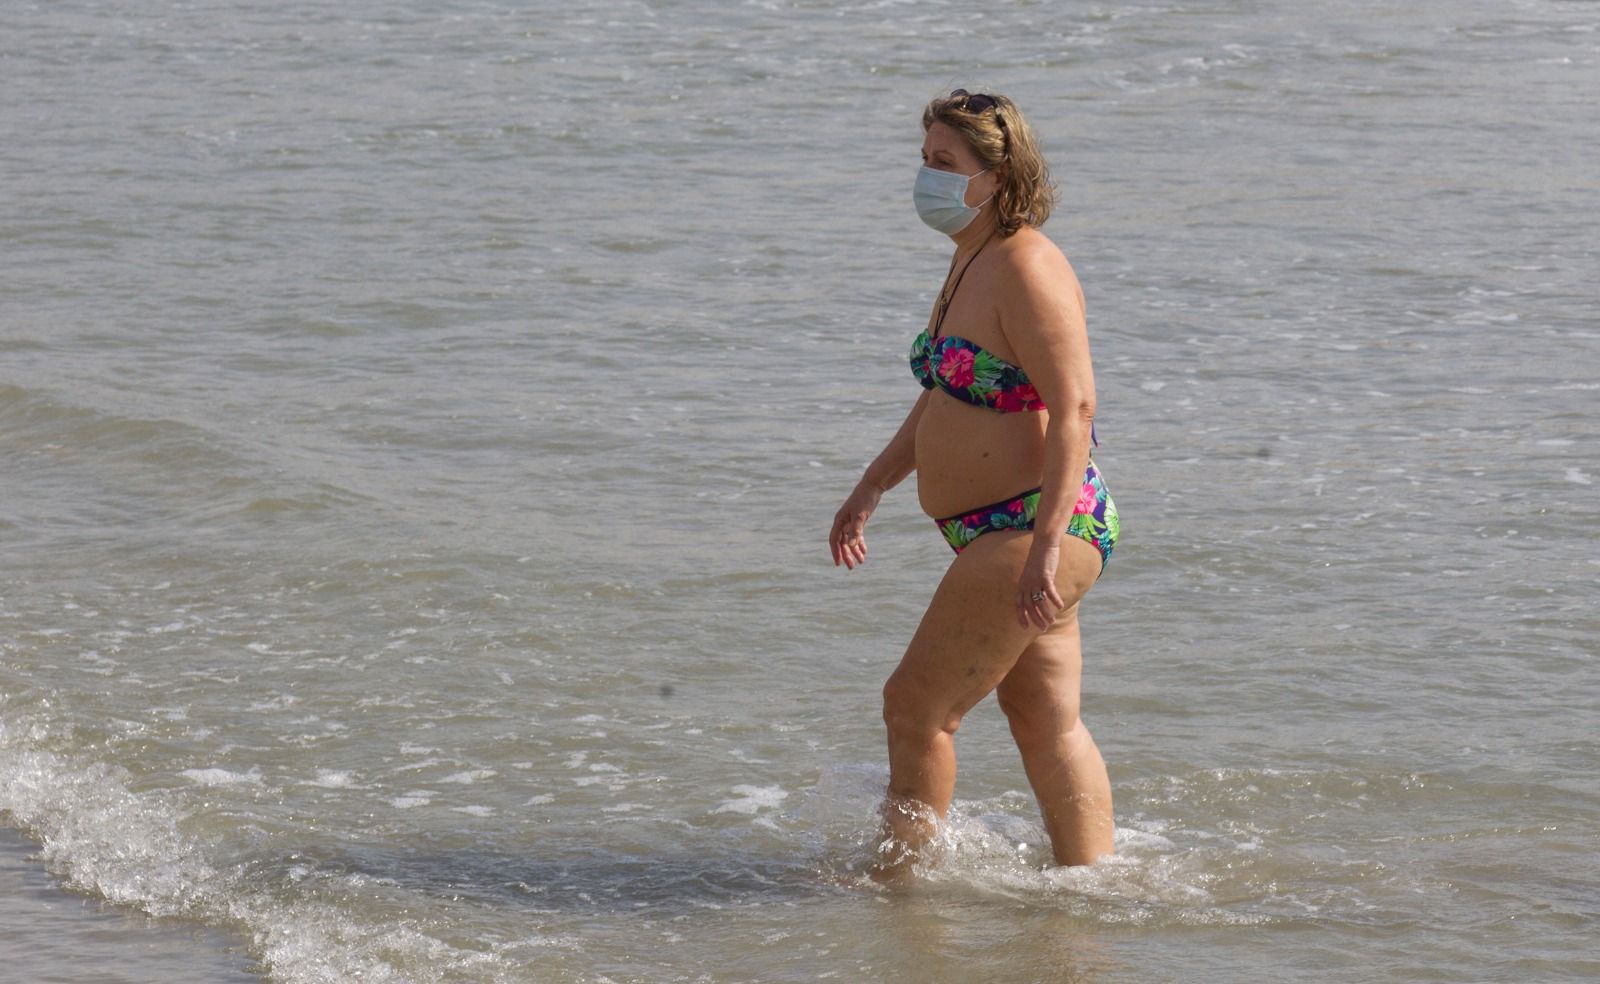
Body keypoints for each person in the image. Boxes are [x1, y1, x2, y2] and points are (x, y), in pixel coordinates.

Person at [828, 89, 1119, 874]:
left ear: (997, 174)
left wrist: (1046, 547)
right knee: (1045, 720)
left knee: (915, 710)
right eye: (924, 160)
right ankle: (1091, 888)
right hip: (1001, 530)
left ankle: (899, 891)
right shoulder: (970, 257)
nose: (927, 177)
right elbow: (946, 393)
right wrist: (873, 485)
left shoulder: (1028, 267)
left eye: (944, 164)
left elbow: (1076, 409)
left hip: (1031, 525)